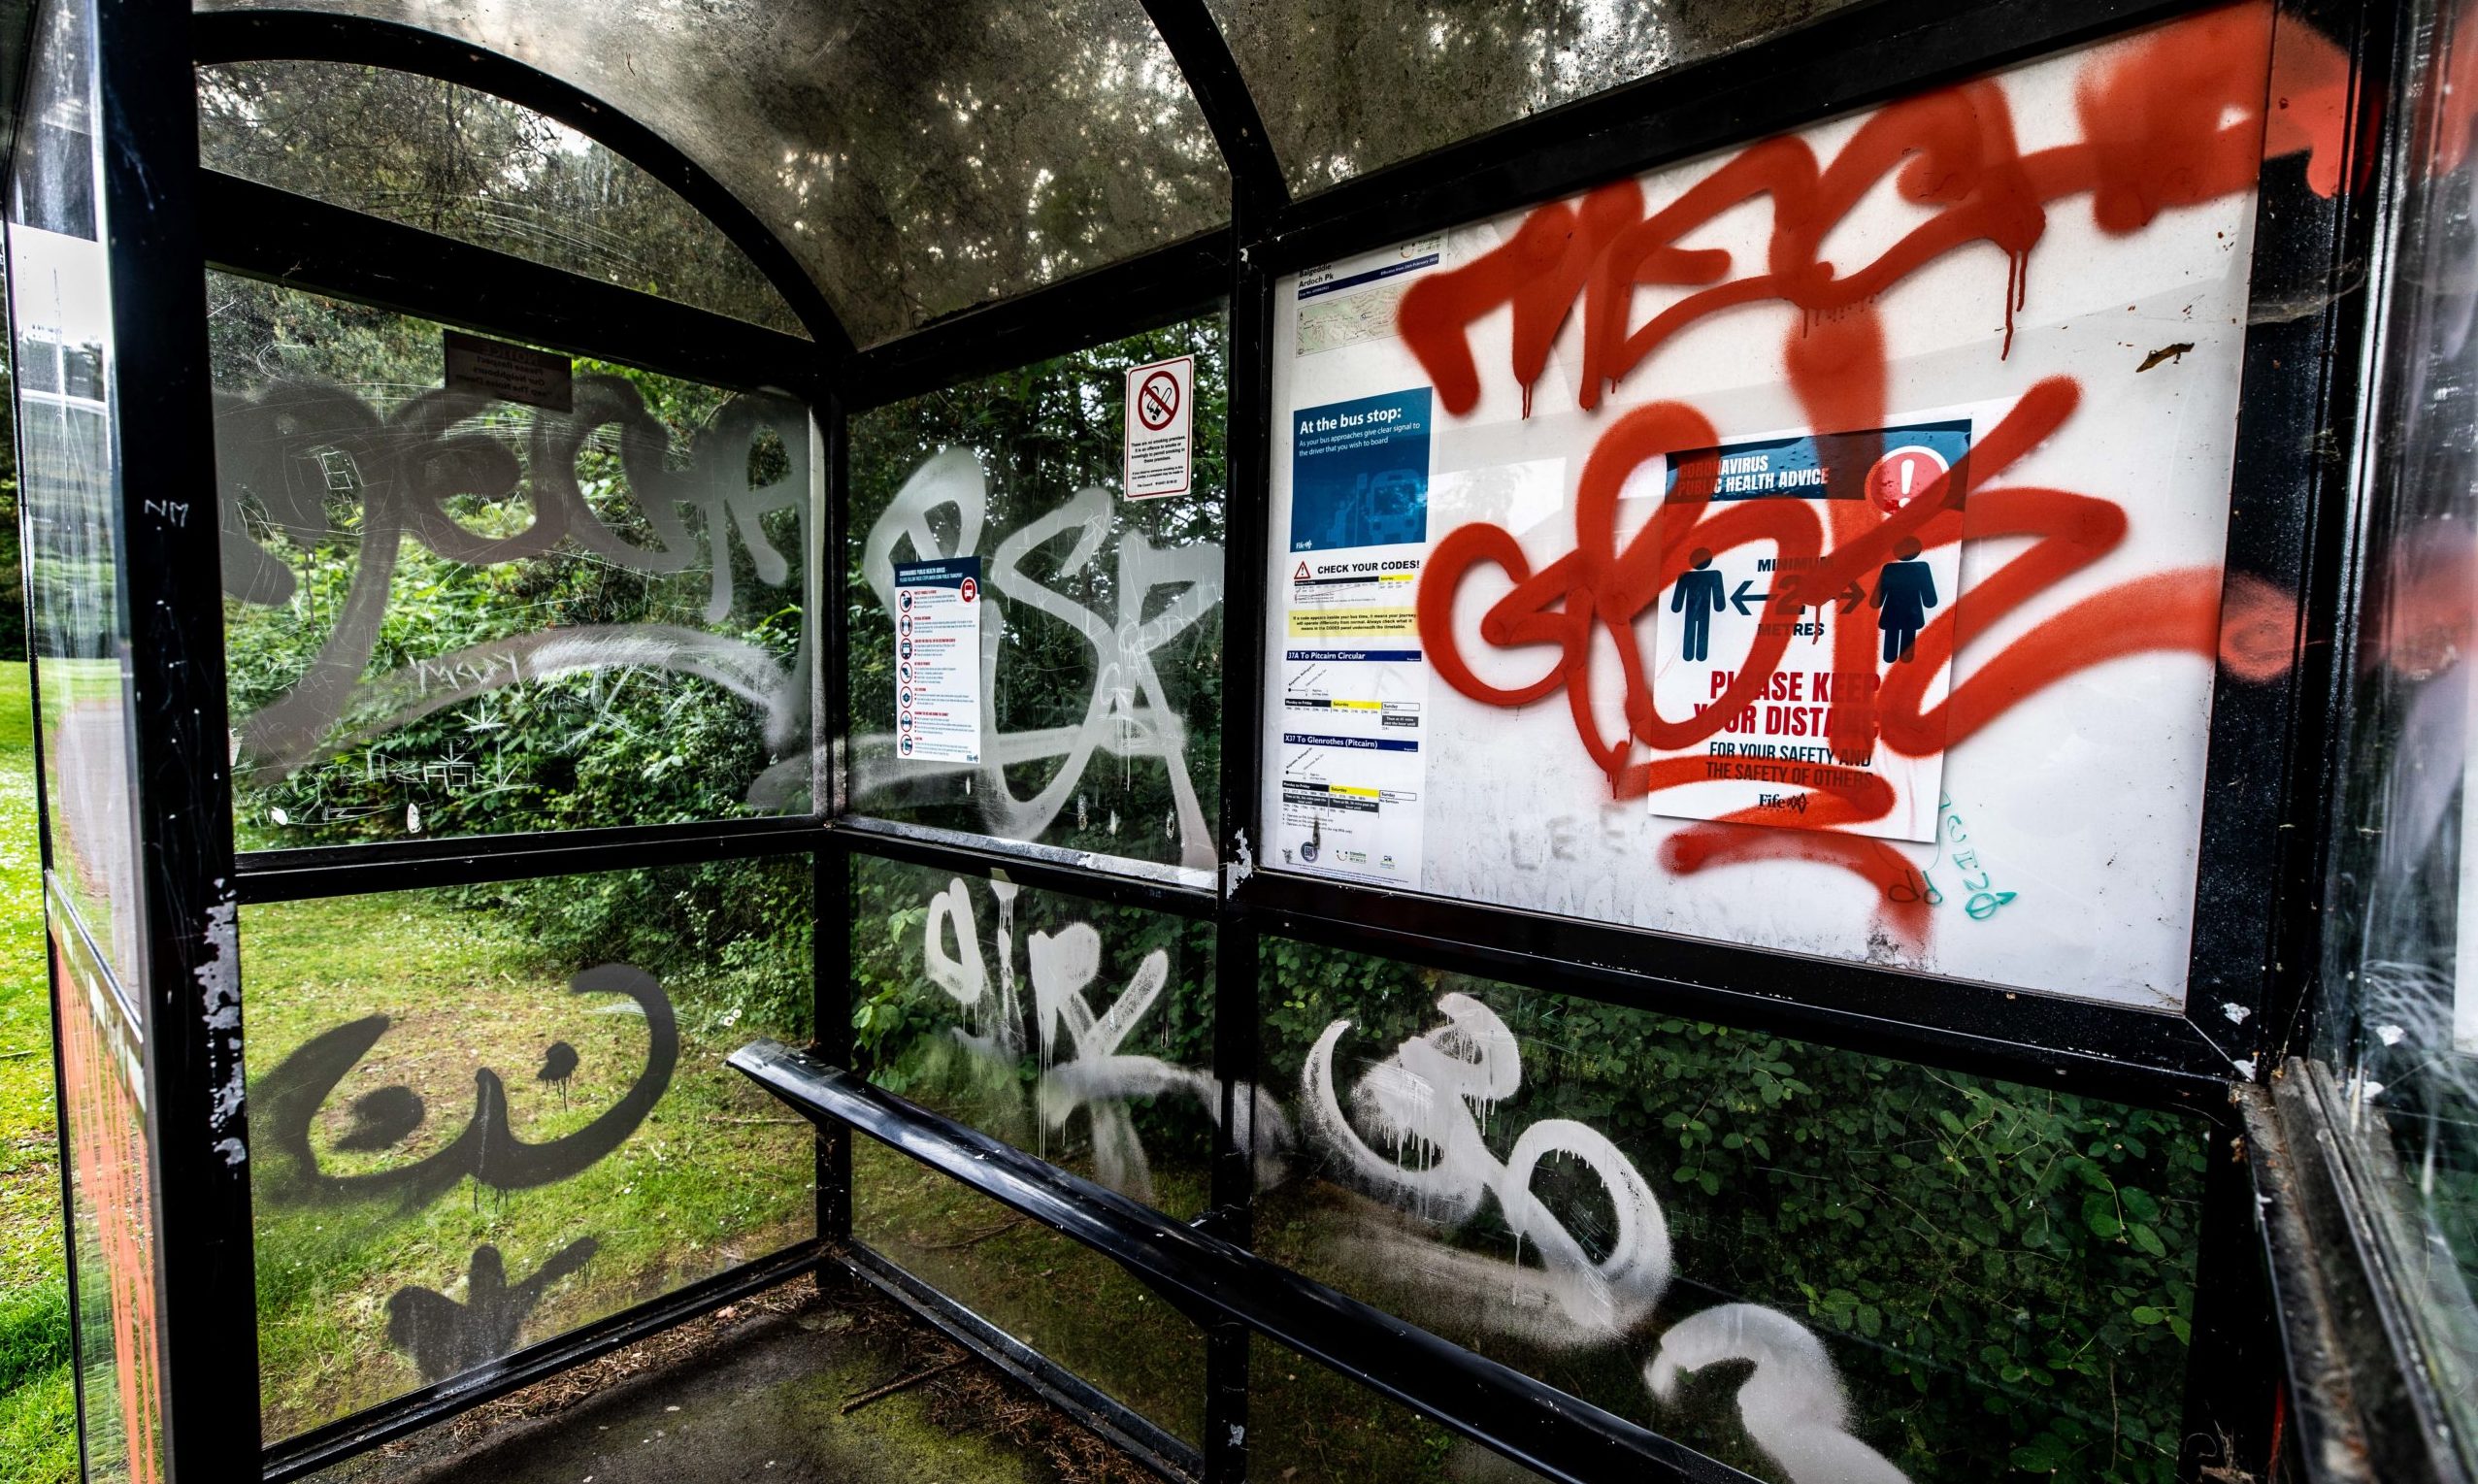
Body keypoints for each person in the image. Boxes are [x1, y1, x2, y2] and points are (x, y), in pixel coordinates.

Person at [1870, 537, 1938, 663]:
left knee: (1893, 632)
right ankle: (1903, 658)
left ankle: (1891, 657)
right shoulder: (1921, 568)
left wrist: (1876, 602)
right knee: (1908, 632)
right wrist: (1929, 601)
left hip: (1892, 609)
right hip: (1911, 610)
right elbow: (1928, 592)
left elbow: (1879, 593)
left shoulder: (1890, 568)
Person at [1670, 548, 1728, 662]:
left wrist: (1676, 606)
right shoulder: (1713, 575)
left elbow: (1677, 601)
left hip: (1695, 610)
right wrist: (1719, 605)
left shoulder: (1688, 576)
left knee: (1696, 631)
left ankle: (1693, 655)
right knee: (1699, 631)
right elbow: (1719, 600)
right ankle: (1694, 655)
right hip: (1697, 610)